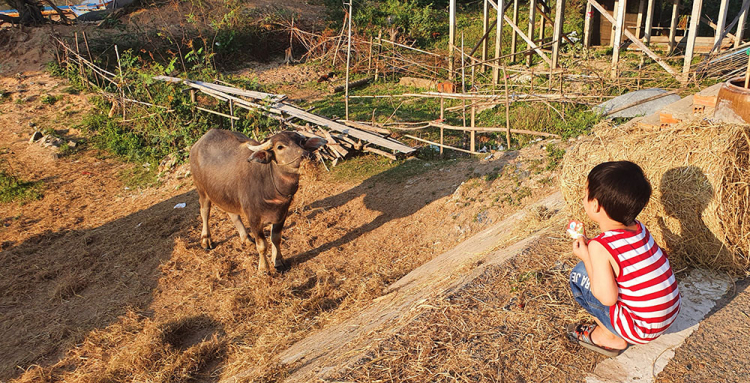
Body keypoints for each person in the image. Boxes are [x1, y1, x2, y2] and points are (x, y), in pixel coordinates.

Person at [566, 161, 681, 357]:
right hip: (669, 314)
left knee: (579, 274)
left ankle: (610, 337)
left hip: (642, 329)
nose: (583, 199)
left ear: (595, 205)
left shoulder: (599, 247)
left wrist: (586, 256)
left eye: (585, 195)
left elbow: (607, 298)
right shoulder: (639, 227)